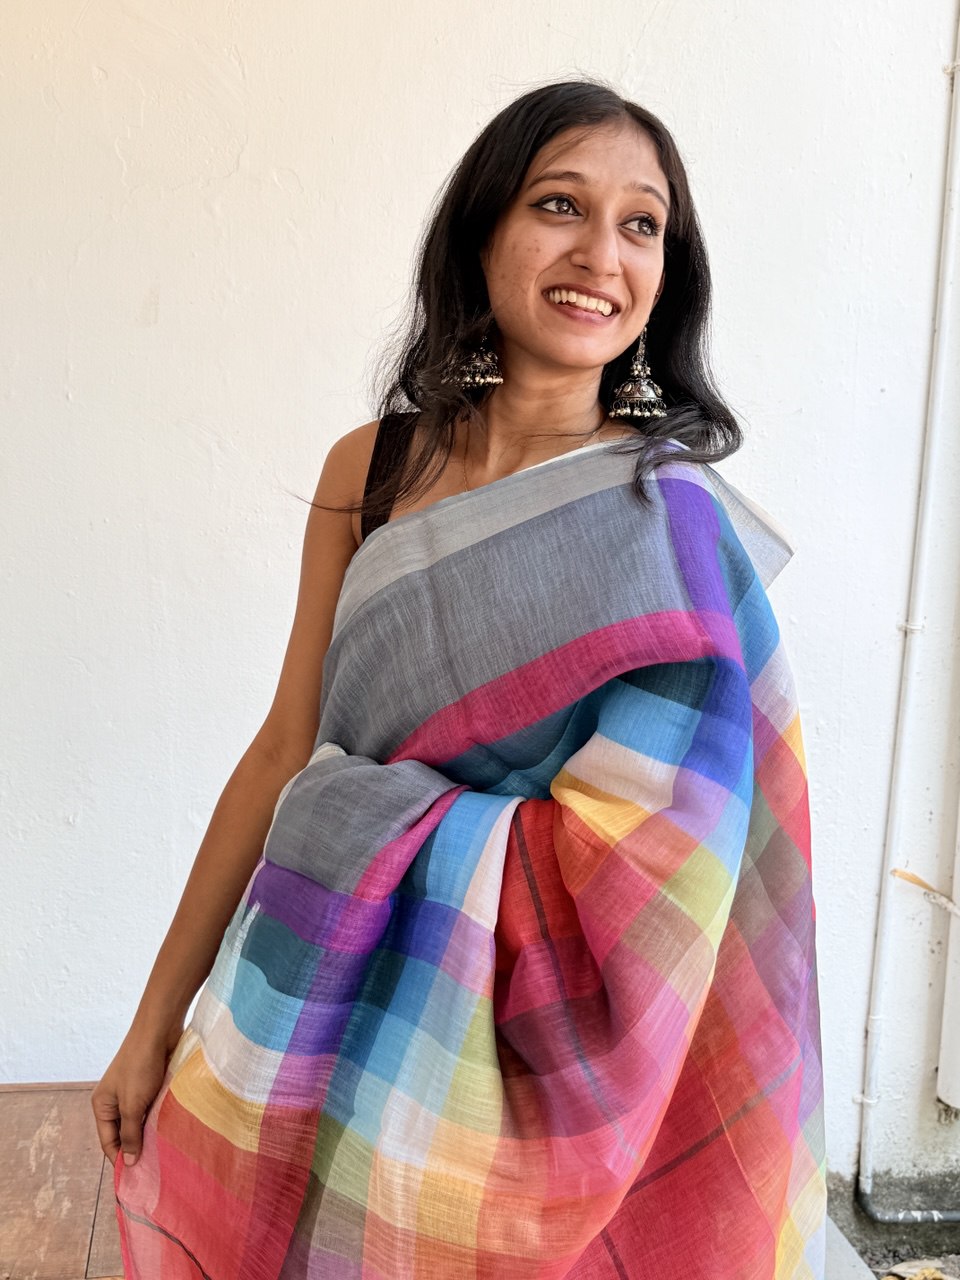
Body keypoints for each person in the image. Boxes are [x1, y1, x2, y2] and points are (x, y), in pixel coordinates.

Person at [93, 80, 826, 1278]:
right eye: (560, 204)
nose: (602, 255)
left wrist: (368, 818)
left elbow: (676, 857)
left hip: (529, 1064)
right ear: (483, 231)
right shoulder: (372, 467)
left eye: (642, 224)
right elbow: (285, 750)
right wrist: (151, 1021)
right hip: (313, 996)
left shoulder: (666, 519)